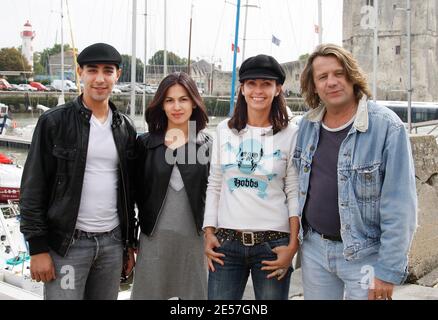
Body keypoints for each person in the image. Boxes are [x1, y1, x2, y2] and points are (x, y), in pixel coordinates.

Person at [295, 44, 417, 300]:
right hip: (315, 249)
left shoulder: (387, 127)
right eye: (323, 77)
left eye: (339, 73)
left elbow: (401, 206)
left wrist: (387, 271)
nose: (332, 82)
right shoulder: (307, 126)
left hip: (366, 255)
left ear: (352, 76)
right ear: (314, 86)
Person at [19, 43, 137, 300]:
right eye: (92, 70)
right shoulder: (54, 122)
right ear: (80, 72)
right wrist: (37, 248)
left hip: (112, 245)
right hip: (68, 246)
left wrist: (129, 244)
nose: (100, 78)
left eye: (108, 71)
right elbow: (32, 187)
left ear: (118, 75)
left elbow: (129, 192)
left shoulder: (125, 127)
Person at [203, 54, 300, 300]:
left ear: (278, 89)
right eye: (252, 84)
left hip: (273, 244)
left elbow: (294, 191)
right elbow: (215, 184)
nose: (258, 90)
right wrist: (208, 232)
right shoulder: (225, 130)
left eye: (266, 84)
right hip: (226, 243)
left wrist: (293, 245)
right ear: (242, 89)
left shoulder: (291, 133)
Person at [131, 72, 211, 300]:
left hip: (195, 242)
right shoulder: (144, 144)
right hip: (153, 239)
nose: (177, 106)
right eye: (169, 100)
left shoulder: (208, 145)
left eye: (183, 99)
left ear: (194, 103)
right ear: (162, 105)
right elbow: (132, 194)